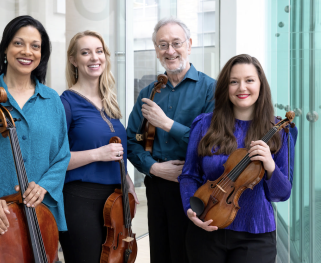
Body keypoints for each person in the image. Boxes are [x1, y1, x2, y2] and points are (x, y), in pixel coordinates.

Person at [0, 16, 70, 263]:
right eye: (19, 43)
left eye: (35, 46)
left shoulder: (53, 100)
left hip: (40, 219)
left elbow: (62, 154)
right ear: (5, 48)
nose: (27, 52)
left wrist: (44, 185)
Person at [179, 54, 297, 263]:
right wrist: (191, 209)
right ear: (226, 87)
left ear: (261, 85)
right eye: (234, 81)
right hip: (206, 226)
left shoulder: (280, 132)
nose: (242, 88)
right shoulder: (204, 125)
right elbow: (189, 175)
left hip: (256, 233)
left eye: (249, 80)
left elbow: (282, 193)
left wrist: (269, 165)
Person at [127, 17, 216, 263]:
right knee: (160, 253)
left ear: (189, 44)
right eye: (162, 44)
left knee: (191, 255)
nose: (170, 51)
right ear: (156, 50)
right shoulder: (148, 92)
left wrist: (167, 124)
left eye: (176, 43)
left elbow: (211, 144)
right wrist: (154, 167)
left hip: (197, 187)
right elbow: (132, 141)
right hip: (157, 187)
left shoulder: (211, 89)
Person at [59, 30, 139, 262]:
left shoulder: (110, 103)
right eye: (85, 52)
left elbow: (118, 154)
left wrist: (128, 182)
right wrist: (97, 154)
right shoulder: (65, 103)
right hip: (79, 200)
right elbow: (55, 160)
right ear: (74, 60)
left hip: (115, 200)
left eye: (99, 51)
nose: (95, 57)